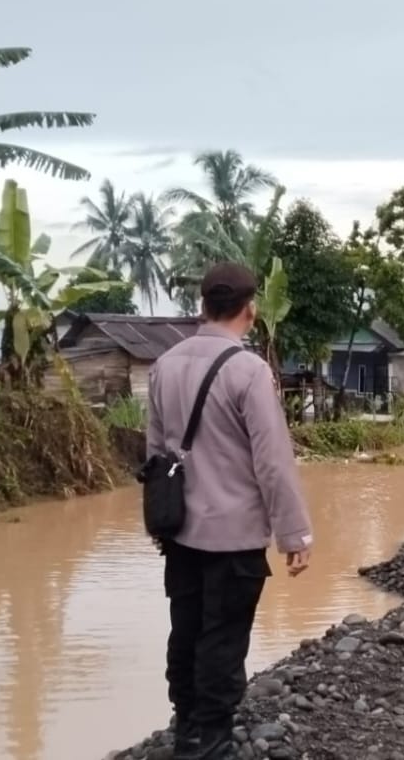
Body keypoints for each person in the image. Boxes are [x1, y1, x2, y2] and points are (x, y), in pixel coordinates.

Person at [146, 262, 314, 760]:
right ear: (251, 309)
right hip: (234, 537)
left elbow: (155, 456)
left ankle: (186, 730)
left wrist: (158, 524)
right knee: (222, 637)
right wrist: (294, 535)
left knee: (187, 627)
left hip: (179, 530)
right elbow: (273, 462)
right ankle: (211, 743)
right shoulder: (249, 371)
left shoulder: (165, 364)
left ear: (203, 306)